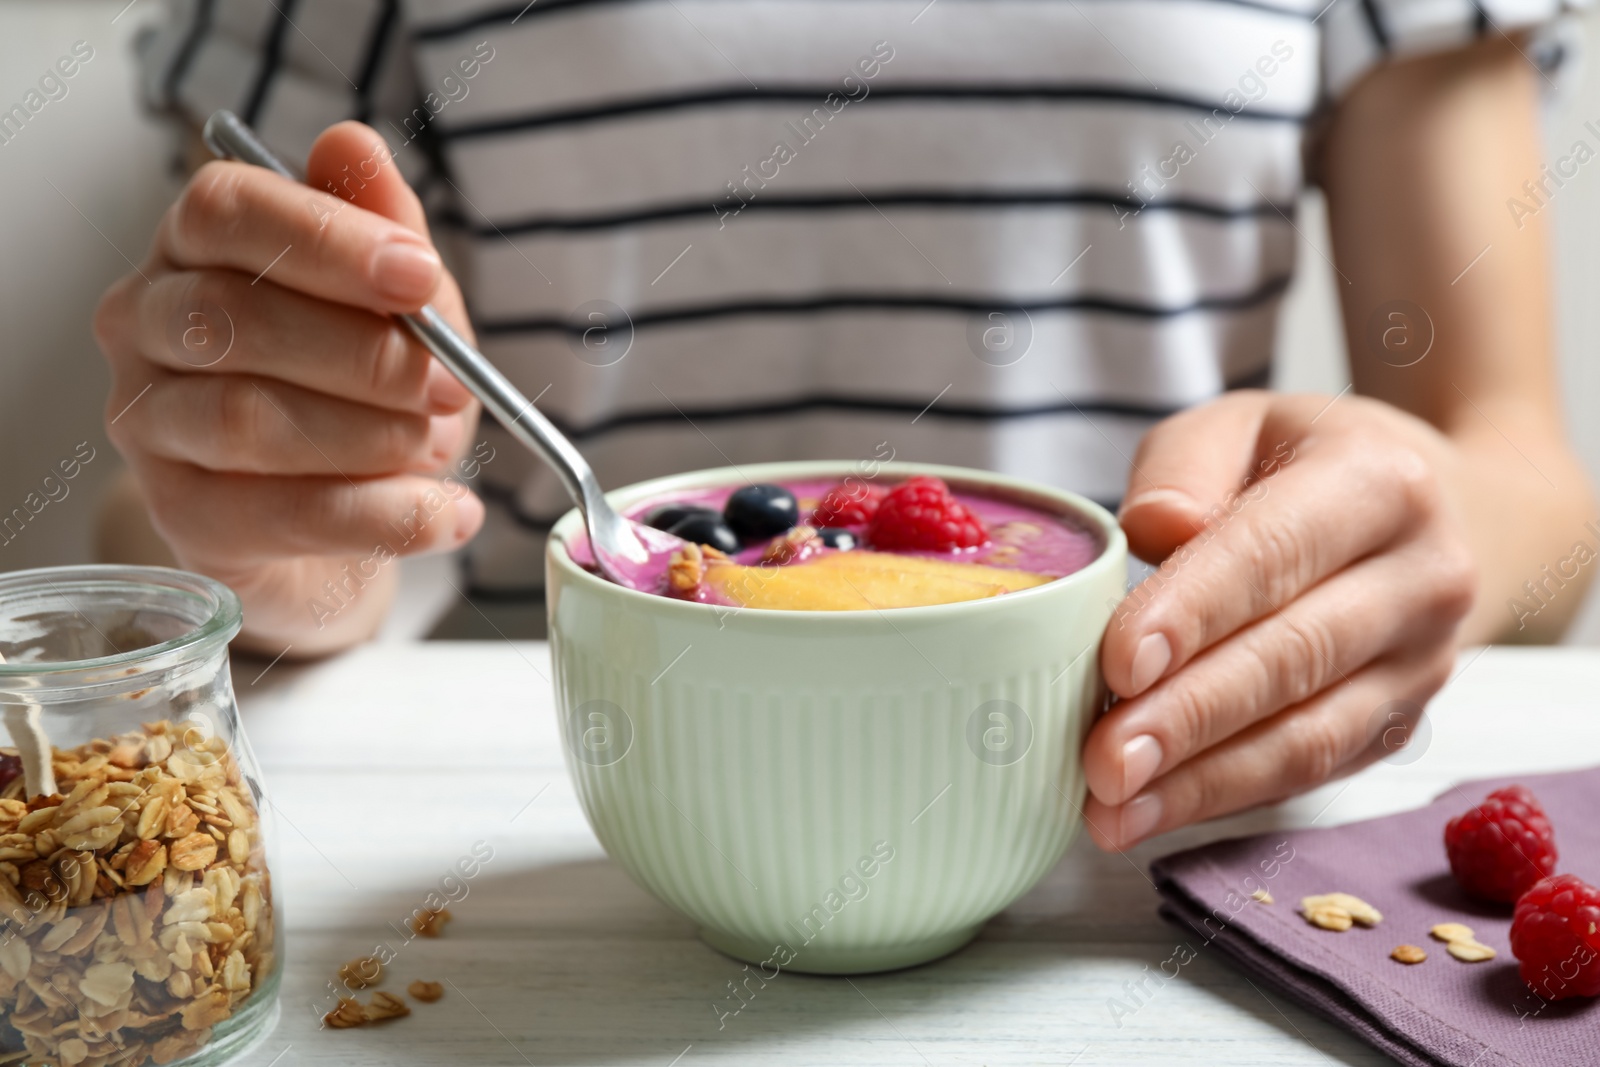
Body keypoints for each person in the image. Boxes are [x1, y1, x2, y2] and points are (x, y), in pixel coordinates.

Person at [95, 0, 1595, 851]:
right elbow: (219, 475)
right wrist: (283, 537)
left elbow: (1519, 473)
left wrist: (1415, 528)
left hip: (1134, 846)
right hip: (554, 842)